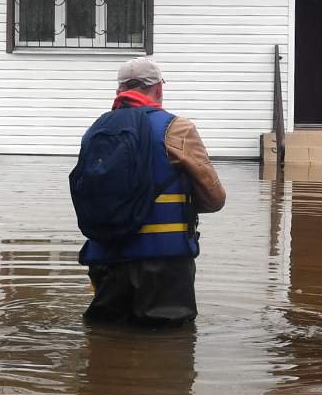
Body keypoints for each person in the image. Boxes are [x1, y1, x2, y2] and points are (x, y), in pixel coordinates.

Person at [73, 57, 226, 326]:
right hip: (163, 263)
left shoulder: (94, 131)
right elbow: (215, 198)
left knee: (106, 341)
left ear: (120, 91)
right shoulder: (177, 128)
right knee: (168, 350)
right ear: (158, 89)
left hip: (104, 262)